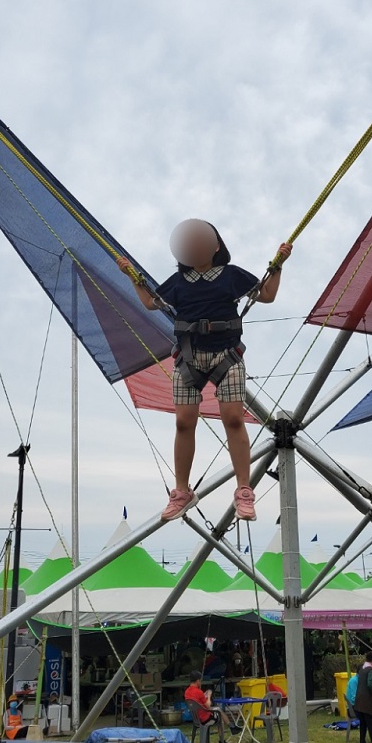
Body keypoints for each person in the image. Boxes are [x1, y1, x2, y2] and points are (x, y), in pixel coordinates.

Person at [118, 219, 292, 522]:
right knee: (184, 422)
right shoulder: (177, 283)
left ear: (216, 246)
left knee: (233, 419)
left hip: (227, 356)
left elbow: (266, 295)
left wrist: (277, 266)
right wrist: (131, 275)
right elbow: (149, 302)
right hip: (188, 359)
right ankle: (182, 491)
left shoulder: (231, 275)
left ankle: (243, 490)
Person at [184, 670, 239, 743]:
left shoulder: (187, 692)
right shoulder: (198, 691)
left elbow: (196, 701)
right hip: (205, 718)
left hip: (196, 718)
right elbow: (208, 706)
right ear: (198, 681)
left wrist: (204, 695)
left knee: (217, 709)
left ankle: (232, 727)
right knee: (220, 716)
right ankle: (223, 738)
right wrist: (209, 695)